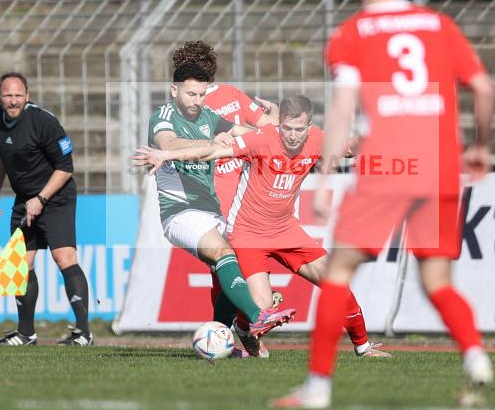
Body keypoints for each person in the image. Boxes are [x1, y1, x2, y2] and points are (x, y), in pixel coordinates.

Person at [271, 0, 495, 409]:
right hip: (440, 163)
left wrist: (329, 177)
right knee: (438, 281)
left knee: (337, 272)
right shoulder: (438, 24)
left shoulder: (350, 35)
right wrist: (479, 146)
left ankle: (317, 388)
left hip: (387, 165)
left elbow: (343, 109)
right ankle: (475, 355)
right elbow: (484, 89)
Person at [135, 94, 390, 358]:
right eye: (286, 128)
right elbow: (213, 151)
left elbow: (349, 147)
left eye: (299, 129)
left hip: (286, 230)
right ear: (279, 124)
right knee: (263, 305)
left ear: (310, 126)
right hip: (248, 234)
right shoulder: (262, 138)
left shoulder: (317, 140)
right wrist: (167, 154)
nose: (291, 135)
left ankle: (363, 347)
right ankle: (244, 328)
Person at [146, 61, 296, 339]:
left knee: (240, 257)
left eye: (202, 95)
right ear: (173, 90)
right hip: (180, 212)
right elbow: (170, 145)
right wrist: (216, 145)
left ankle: (220, 333)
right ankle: (257, 316)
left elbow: (248, 135)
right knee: (223, 253)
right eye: (191, 94)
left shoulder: (208, 116)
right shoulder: (163, 116)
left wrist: (279, 135)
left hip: (211, 211)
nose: (197, 101)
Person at [171, 40, 280, 357]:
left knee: (228, 270)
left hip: (228, 202)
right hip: (221, 203)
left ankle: (234, 332)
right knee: (231, 268)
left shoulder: (197, 102)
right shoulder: (225, 97)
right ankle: (236, 332)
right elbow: (266, 129)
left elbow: (264, 130)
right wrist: (266, 120)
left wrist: (264, 122)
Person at [0, 72, 93, 346]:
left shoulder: (43, 122)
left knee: (64, 257)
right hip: (24, 198)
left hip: (56, 197)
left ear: (27, 95)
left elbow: (66, 168)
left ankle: (83, 333)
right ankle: (25, 334)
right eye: (8, 95)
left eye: (18, 95)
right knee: (20, 264)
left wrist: (41, 199)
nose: (13, 101)